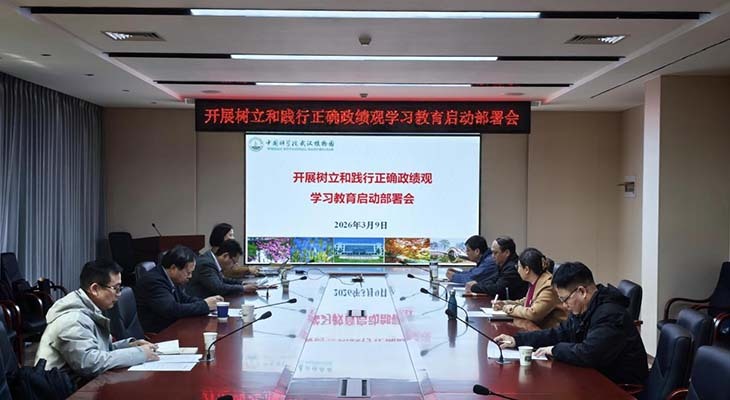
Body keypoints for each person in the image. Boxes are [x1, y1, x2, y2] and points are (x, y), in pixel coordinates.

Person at [494, 262, 648, 384]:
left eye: (564, 299)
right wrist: (518, 340)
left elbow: (589, 354)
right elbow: (560, 332)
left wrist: (554, 350)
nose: (564, 305)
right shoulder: (587, 308)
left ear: (582, 292)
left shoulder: (610, 314)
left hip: (619, 387)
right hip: (596, 377)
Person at [35, 259, 158, 382]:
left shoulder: (90, 308)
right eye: (115, 288)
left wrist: (129, 345)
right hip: (62, 388)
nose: (119, 294)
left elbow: (99, 350)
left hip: (79, 382)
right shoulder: (72, 319)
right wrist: (139, 353)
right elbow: (88, 363)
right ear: (95, 289)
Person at [135, 245, 223, 333]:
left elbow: (184, 299)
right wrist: (205, 305)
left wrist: (207, 302)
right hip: (160, 333)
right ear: (173, 268)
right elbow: (171, 309)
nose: (190, 276)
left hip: (173, 326)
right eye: (188, 273)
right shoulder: (154, 281)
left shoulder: (170, 277)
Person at [492, 248, 567, 329]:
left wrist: (507, 308)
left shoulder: (548, 286)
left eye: (518, 266)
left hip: (550, 332)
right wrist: (505, 303)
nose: (517, 270)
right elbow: (527, 301)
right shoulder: (536, 281)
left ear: (527, 269)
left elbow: (533, 313)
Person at [187, 239, 258, 298]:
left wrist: (242, 283)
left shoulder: (211, 260)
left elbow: (222, 280)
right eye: (233, 262)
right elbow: (219, 287)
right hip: (197, 303)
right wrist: (243, 288)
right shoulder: (206, 264)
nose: (234, 266)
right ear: (225, 256)